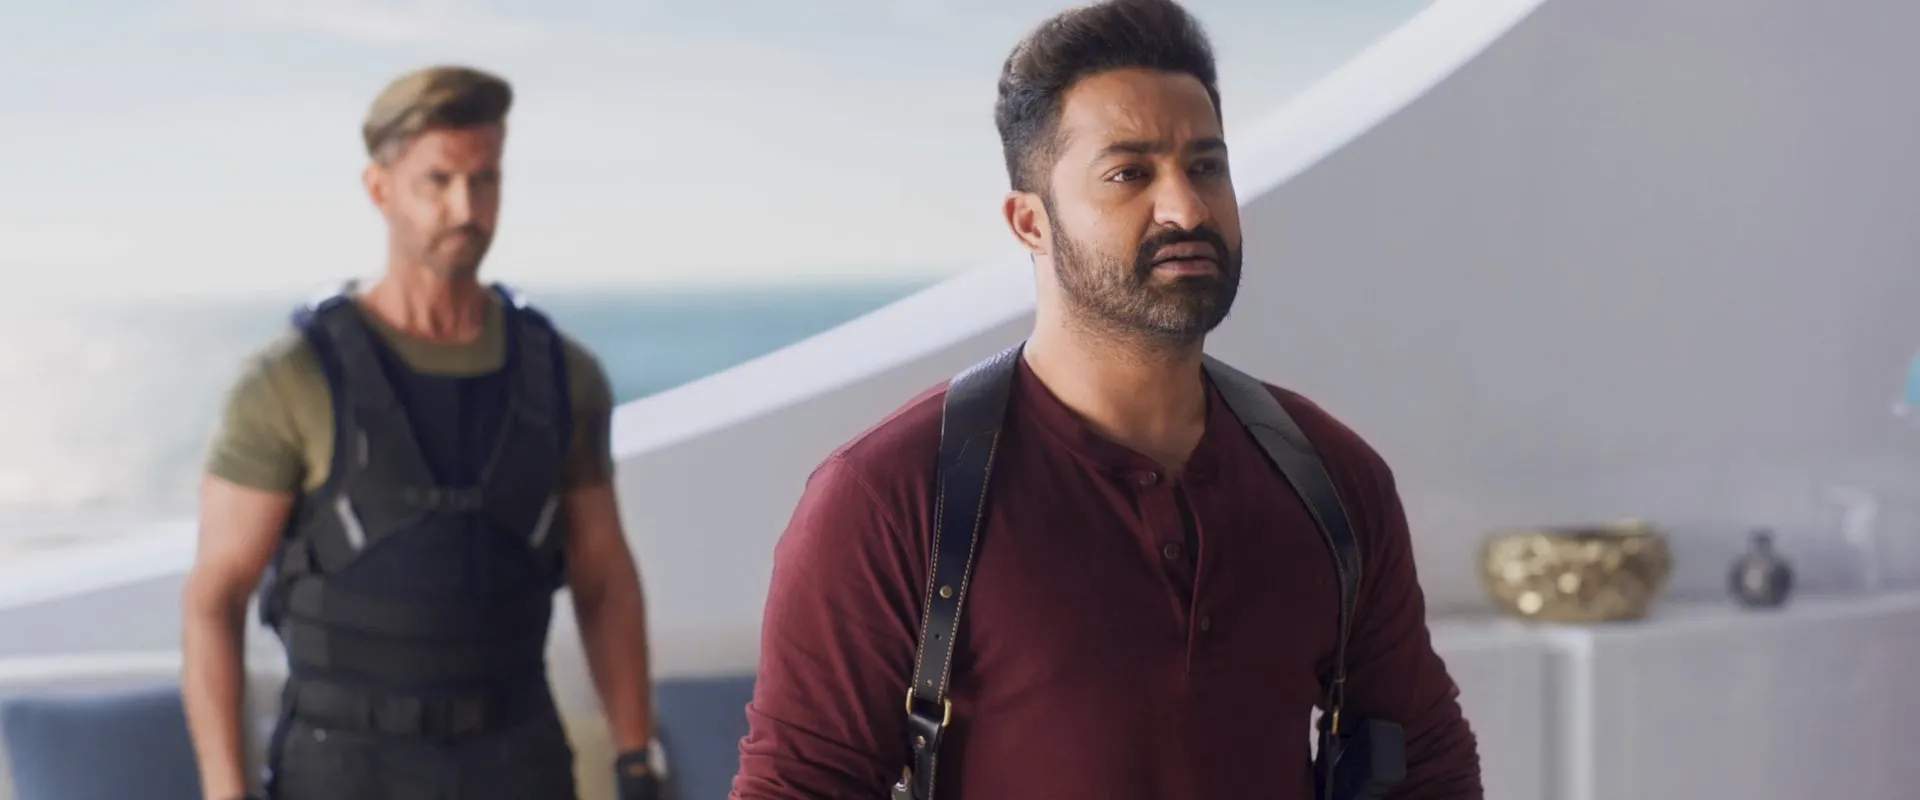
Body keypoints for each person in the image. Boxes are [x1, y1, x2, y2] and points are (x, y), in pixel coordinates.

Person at [730, 1, 1482, 798]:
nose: (1186, 209)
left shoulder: (1331, 476)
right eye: (1129, 174)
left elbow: (1426, 765)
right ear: (1030, 222)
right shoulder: (889, 499)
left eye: (1206, 167)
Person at [180, 65, 664, 800]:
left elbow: (604, 580)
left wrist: (637, 761)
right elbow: (215, 599)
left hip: (520, 765)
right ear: (380, 189)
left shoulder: (565, 375)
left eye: (485, 180)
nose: (465, 208)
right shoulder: (288, 380)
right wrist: (226, 791)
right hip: (343, 772)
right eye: (438, 181)